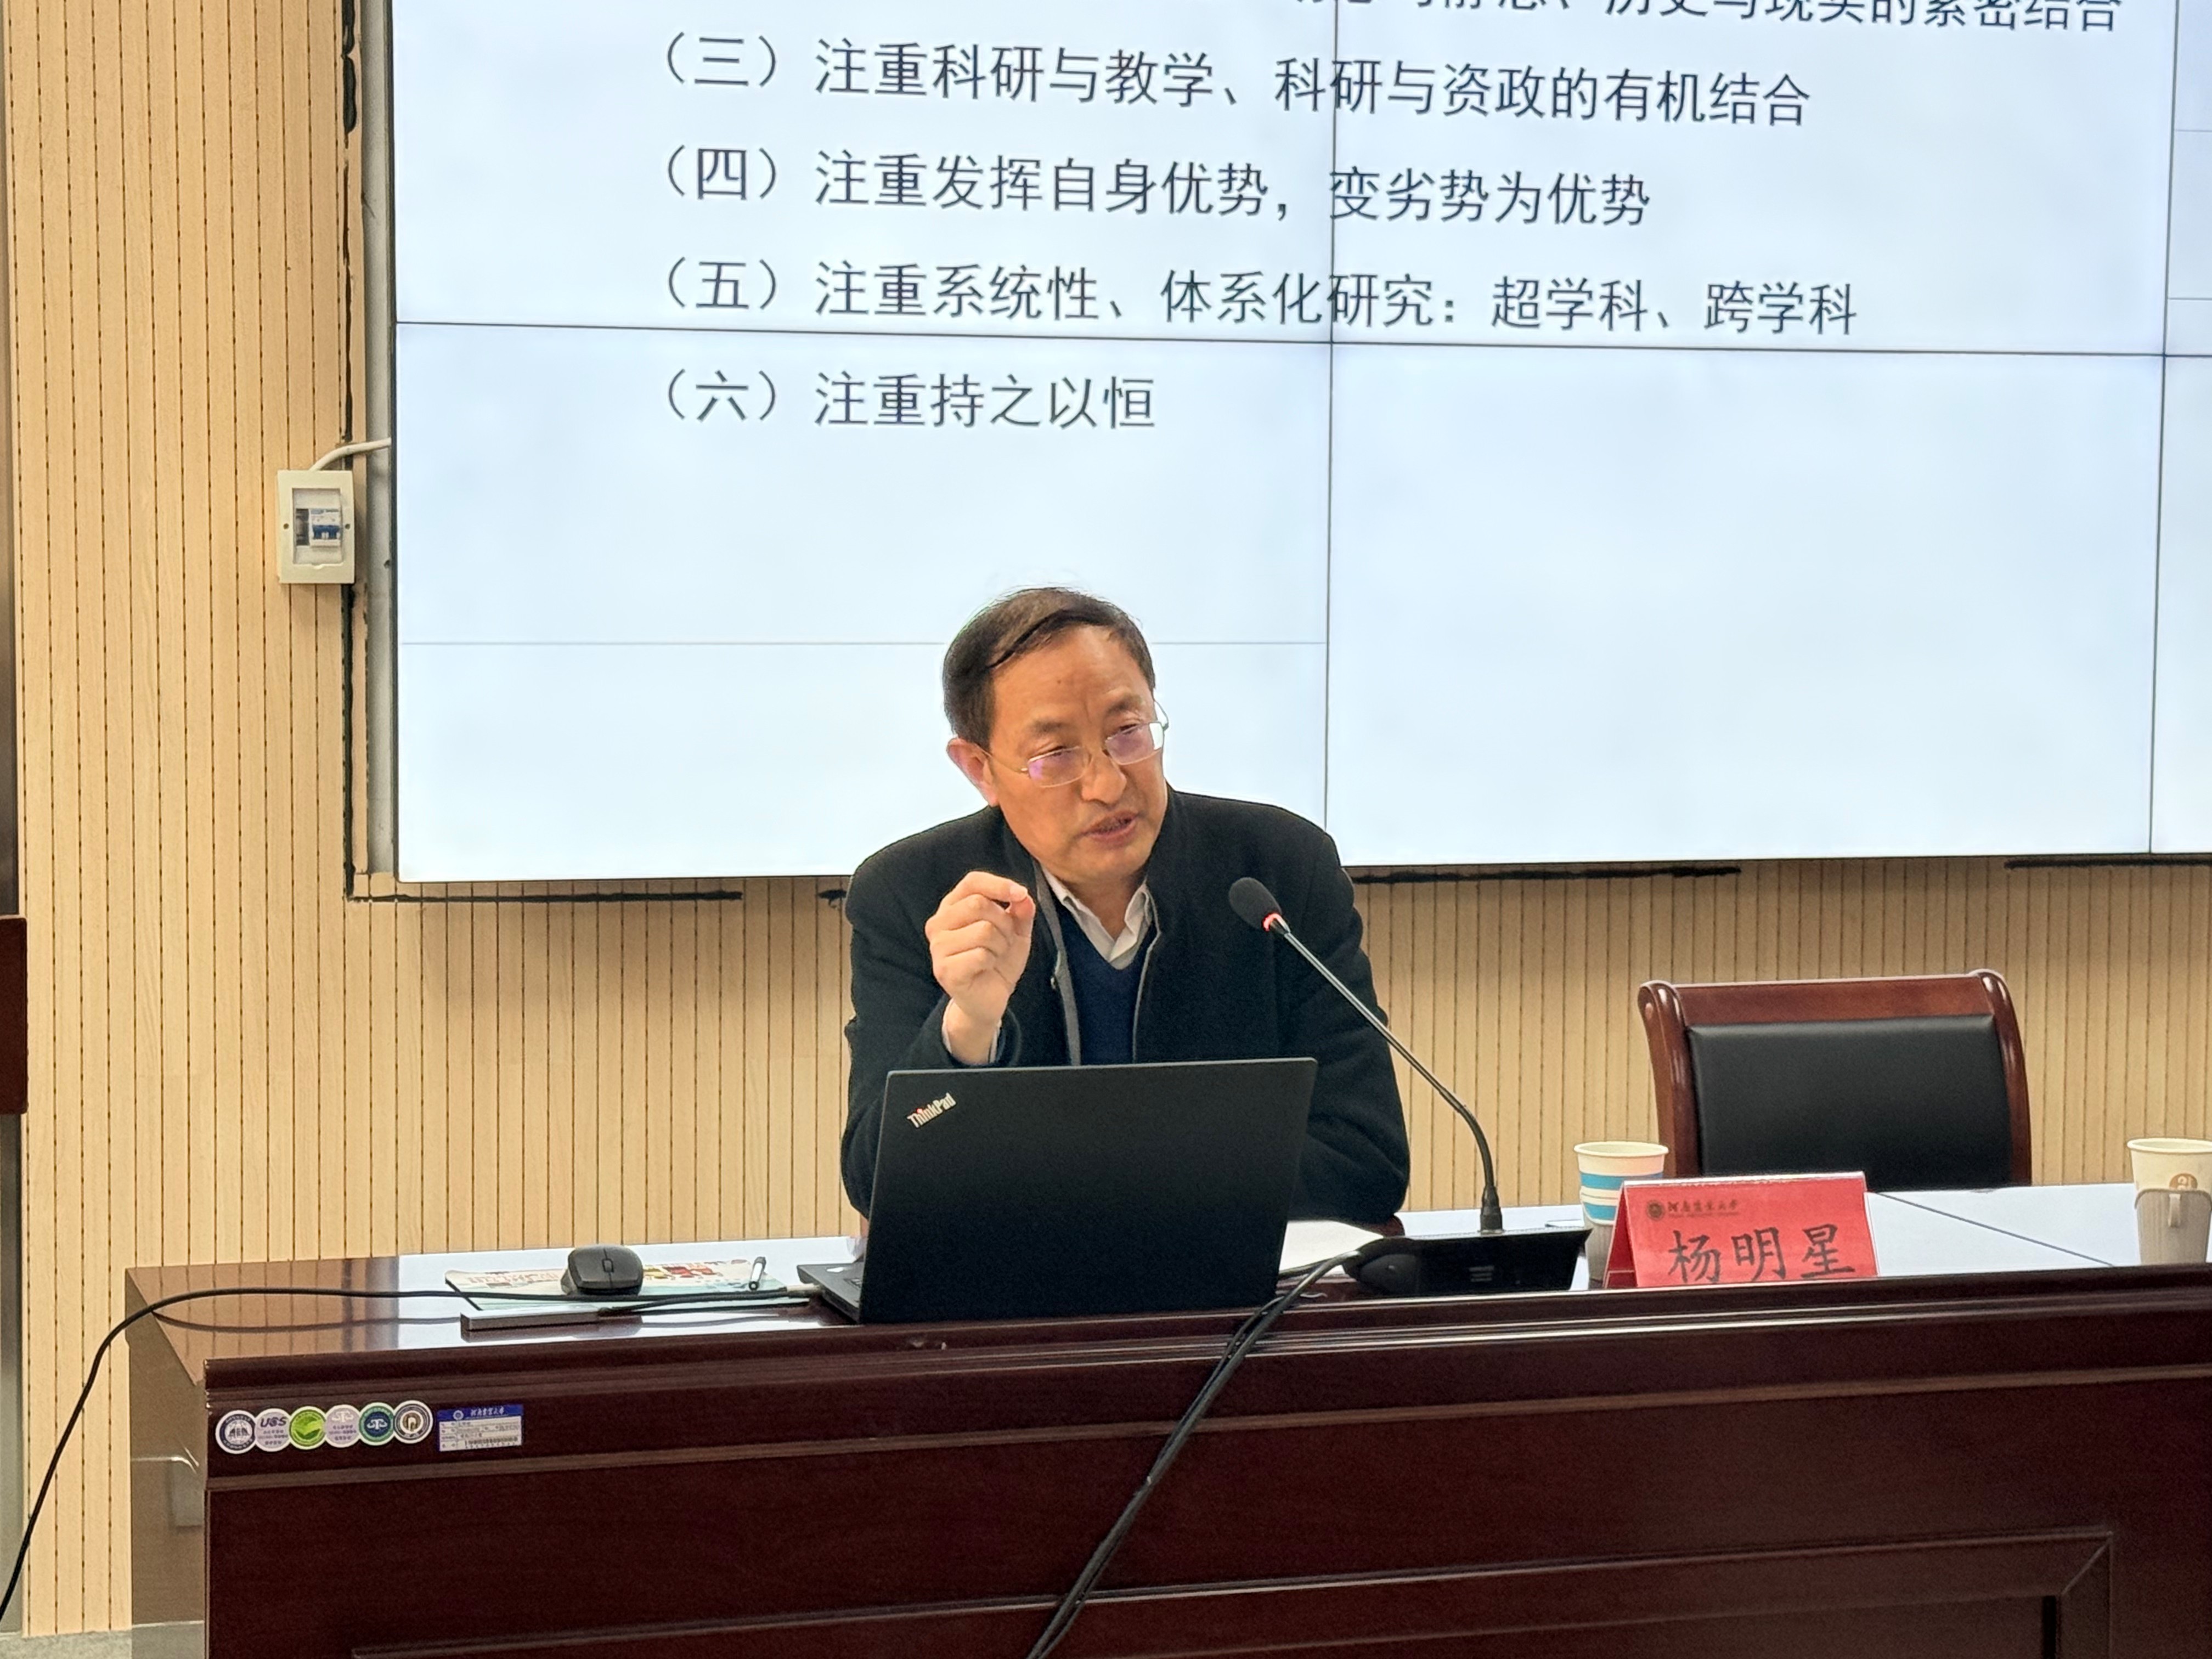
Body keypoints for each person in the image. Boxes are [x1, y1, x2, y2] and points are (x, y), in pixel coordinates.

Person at [841, 588, 1410, 1224]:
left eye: (1127, 733)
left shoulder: (1277, 868)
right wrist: (968, 1027)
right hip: (1017, 1288)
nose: (1108, 784)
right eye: (1057, 755)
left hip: (1231, 1280)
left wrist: (1085, 1184)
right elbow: (879, 1181)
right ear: (980, 769)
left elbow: (1367, 1160)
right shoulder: (912, 894)